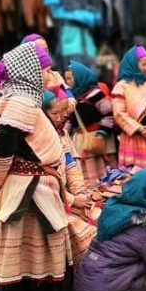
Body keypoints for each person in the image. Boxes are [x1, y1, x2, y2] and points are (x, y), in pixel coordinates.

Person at [0, 42, 72, 291]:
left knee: (37, 254)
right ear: (30, 72)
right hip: (28, 194)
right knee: (27, 255)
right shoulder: (20, 104)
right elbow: (3, 150)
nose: (50, 74)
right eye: (46, 69)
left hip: (36, 189)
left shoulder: (25, 100)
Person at [42, 90, 96, 265]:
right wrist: (72, 201)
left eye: (63, 113)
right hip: (49, 203)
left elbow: (72, 166)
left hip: (67, 198)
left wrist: (80, 193)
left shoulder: (63, 135)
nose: (60, 118)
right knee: (88, 237)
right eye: (54, 113)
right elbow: (44, 181)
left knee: (104, 218)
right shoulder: (39, 138)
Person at [64, 60, 116, 186]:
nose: (67, 83)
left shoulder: (95, 94)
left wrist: (101, 134)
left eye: (70, 79)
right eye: (66, 79)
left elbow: (109, 115)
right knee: (86, 179)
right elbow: (71, 121)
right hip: (80, 142)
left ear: (79, 78)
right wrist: (64, 138)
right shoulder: (72, 98)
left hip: (97, 141)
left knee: (103, 180)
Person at [112, 45, 146, 171]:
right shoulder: (122, 86)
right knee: (135, 177)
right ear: (132, 64)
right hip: (133, 140)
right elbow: (119, 114)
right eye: (143, 64)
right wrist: (140, 129)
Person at [22, 33, 76, 113]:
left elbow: (70, 97)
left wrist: (68, 102)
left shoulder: (54, 75)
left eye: (46, 50)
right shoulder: (21, 79)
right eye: (40, 51)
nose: (45, 54)